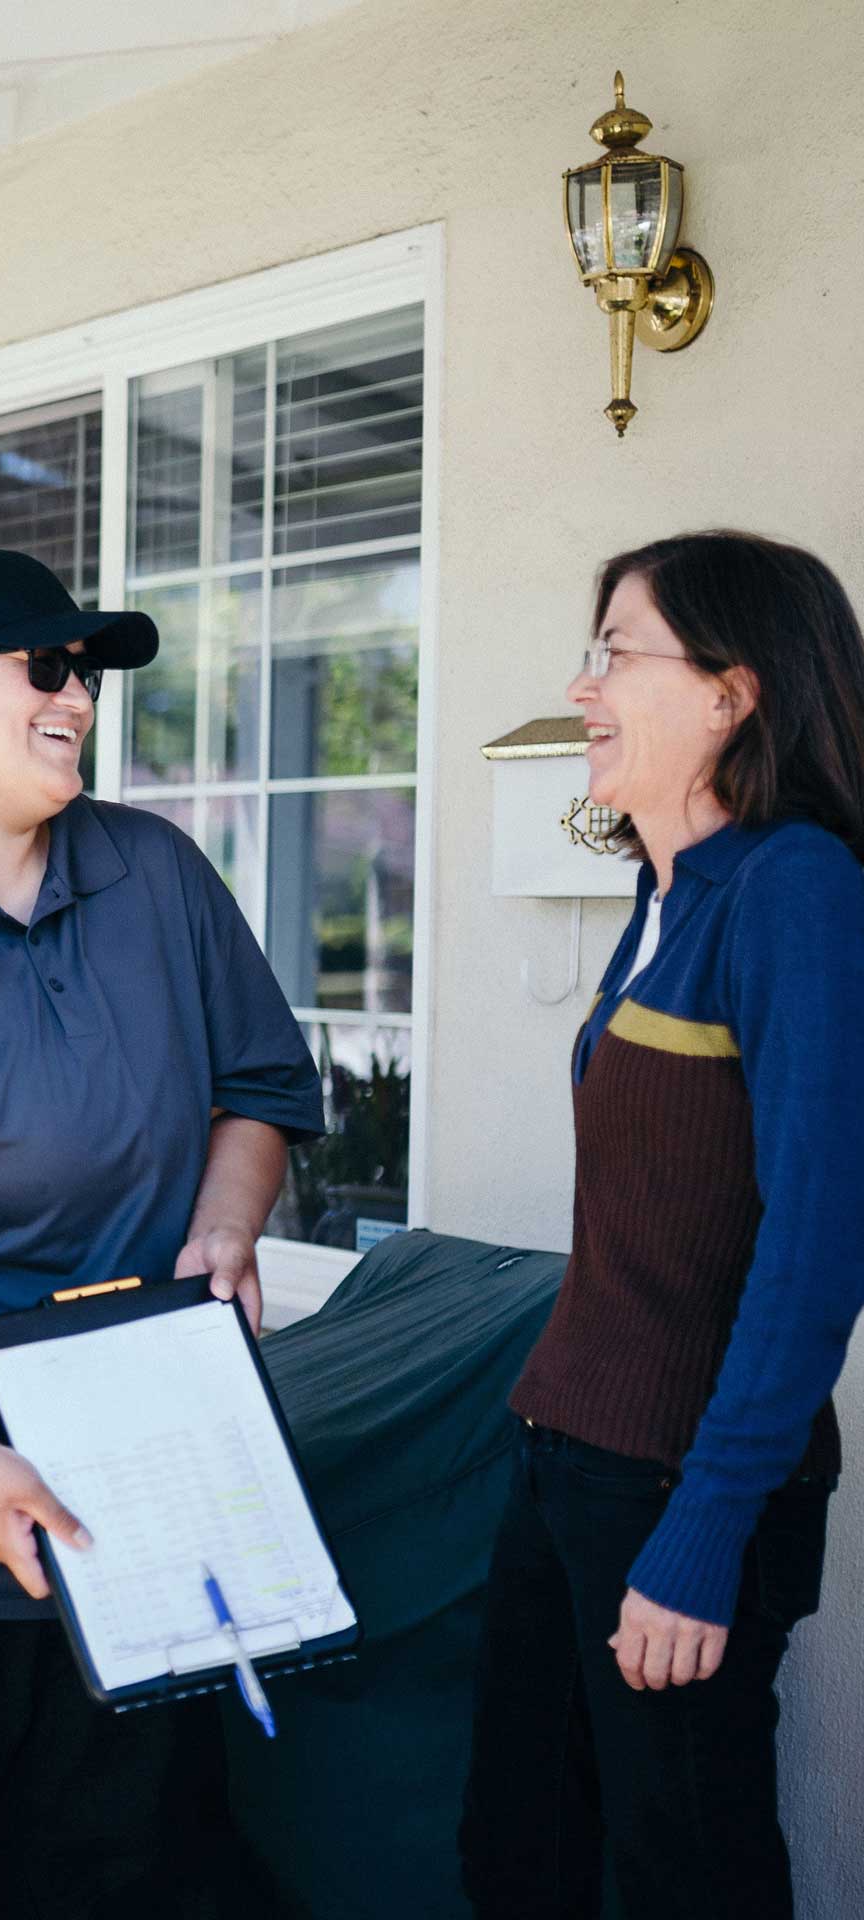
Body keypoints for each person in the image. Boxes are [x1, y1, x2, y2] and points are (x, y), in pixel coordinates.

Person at [0, 548, 324, 1920]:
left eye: (85, 670)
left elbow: (258, 1087)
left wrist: (225, 1224)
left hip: (137, 1476)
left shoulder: (154, 870)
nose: (77, 694)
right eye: (44, 664)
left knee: (127, 1870)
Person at [459, 530, 864, 1918]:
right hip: (566, 1454)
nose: (583, 689)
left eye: (614, 653)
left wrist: (699, 1535)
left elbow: (817, 1247)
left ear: (732, 693)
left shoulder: (796, 890)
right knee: (523, 1853)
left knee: (682, 1873)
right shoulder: (667, 892)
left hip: (673, 1489)